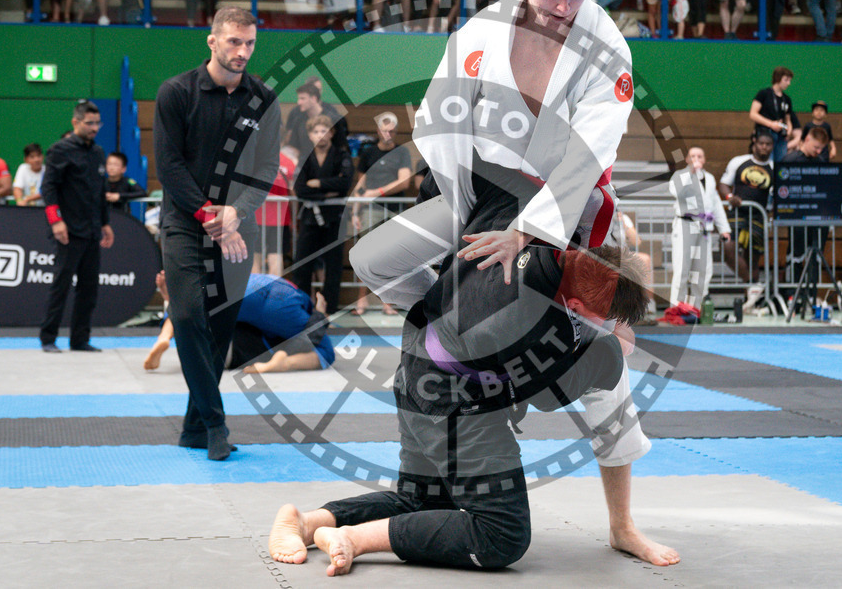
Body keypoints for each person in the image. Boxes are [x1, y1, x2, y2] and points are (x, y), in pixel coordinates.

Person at [349, 0, 677, 567]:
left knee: (606, 372)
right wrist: (465, 212)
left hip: (561, 212)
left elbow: (591, 152)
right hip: (475, 200)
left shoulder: (608, 49)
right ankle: (452, 327)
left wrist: (531, 231)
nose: (564, 7)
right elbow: (440, 121)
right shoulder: (478, 33)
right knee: (373, 259)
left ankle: (622, 522)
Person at [269, 165, 665, 575]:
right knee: (503, 535)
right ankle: (353, 539)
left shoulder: (521, 226)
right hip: (455, 405)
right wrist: (608, 352)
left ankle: (308, 521)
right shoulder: (550, 330)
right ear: (581, 309)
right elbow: (548, 399)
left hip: (415, 367)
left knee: (422, 501)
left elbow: (454, 181)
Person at [153, 7, 282, 460]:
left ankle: (193, 427)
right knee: (188, 316)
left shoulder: (263, 99)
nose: (242, 51)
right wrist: (210, 214)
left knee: (220, 330)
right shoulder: (176, 92)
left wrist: (236, 212)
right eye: (233, 42)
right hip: (184, 224)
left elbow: (267, 168)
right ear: (212, 41)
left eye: (249, 43)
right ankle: (215, 422)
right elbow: (168, 166)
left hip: (236, 230)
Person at [144, 270, 335, 373]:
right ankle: (286, 363)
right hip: (281, 302)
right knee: (326, 351)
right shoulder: (301, 300)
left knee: (187, 302)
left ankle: (164, 336)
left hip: (244, 289)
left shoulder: (276, 280)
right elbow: (316, 326)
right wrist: (320, 313)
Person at [38, 101, 114, 353]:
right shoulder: (59, 150)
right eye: (89, 123)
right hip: (68, 231)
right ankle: (48, 338)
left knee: (89, 288)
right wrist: (55, 220)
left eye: (97, 123)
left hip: (92, 230)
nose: (94, 128)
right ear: (75, 122)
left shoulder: (98, 153)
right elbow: (47, 188)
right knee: (61, 285)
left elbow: (99, 191)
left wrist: (105, 223)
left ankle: (80, 340)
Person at [350, 112, 412, 315]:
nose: (388, 134)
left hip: (394, 211)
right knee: (364, 255)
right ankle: (362, 300)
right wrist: (355, 212)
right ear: (378, 131)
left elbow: (405, 181)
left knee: (393, 256)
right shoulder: (368, 154)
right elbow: (361, 185)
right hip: (370, 211)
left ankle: (389, 301)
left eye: (392, 130)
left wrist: (377, 192)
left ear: (395, 132)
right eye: (385, 130)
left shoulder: (401, 153)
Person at [292, 115, 353, 314]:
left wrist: (317, 183)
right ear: (310, 135)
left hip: (335, 217)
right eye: (316, 131)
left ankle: (329, 309)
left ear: (332, 133)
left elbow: (345, 184)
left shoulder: (341, 156)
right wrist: (329, 190)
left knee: (333, 265)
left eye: (324, 131)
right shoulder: (305, 158)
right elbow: (300, 188)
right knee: (302, 264)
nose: (321, 135)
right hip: (310, 218)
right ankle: (302, 308)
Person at [669, 146, 730, 308]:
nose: (696, 159)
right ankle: (676, 308)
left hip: (704, 228)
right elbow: (676, 192)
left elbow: (715, 204)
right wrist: (690, 172)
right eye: (693, 156)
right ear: (687, 159)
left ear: (704, 160)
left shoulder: (709, 178)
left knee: (703, 271)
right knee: (682, 269)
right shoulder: (680, 176)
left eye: (700, 156)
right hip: (685, 225)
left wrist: (724, 228)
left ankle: (697, 308)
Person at [780, 126, 831, 308]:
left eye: (821, 149)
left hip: (818, 219)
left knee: (816, 256)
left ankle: (812, 295)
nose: (818, 152)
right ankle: (792, 294)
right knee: (795, 254)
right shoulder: (790, 160)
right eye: (816, 147)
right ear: (807, 139)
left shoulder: (822, 162)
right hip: (796, 217)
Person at [719, 131, 773, 299]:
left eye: (768, 144)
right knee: (728, 248)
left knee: (753, 260)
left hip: (759, 217)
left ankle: (750, 302)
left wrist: (771, 215)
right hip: (737, 213)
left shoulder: (774, 168)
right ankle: (752, 284)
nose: (764, 147)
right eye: (761, 143)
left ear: (772, 147)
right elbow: (723, 185)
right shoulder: (739, 161)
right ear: (754, 143)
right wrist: (729, 197)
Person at [253, 145, 298, 277]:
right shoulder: (288, 162)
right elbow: (293, 195)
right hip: (280, 219)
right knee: (276, 257)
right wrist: (294, 220)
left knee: (255, 258)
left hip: (256, 217)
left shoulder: (254, 159)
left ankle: (255, 295)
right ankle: (273, 295)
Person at [285, 80, 348, 159]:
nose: (299, 102)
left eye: (302, 98)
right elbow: (293, 147)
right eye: (299, 98)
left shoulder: (334, 119)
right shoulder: (298, 120)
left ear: (314, 99)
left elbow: (342, 147)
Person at [749, 66, 797, 161]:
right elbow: (753, 114)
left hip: (781, 137)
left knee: (781, 163)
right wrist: (771, 124)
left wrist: (789, 129)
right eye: (786, 80)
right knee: (767, 161)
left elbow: (788, 119)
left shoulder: (787, 99)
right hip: (766, 134)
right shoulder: (764, 94)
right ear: (778, 78)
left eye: (789, 80)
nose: (788, 83)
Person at [12, 142, 45, 206]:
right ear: (26, 159)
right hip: (27, 210)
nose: (36, 160)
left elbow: (45, 192)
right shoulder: (23, 168)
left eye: (39, 156)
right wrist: (19, 200)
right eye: (32, 157)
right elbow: (17, 188)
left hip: (44, 209)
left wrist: (27, 199)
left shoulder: (48, 170)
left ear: (42, 157)